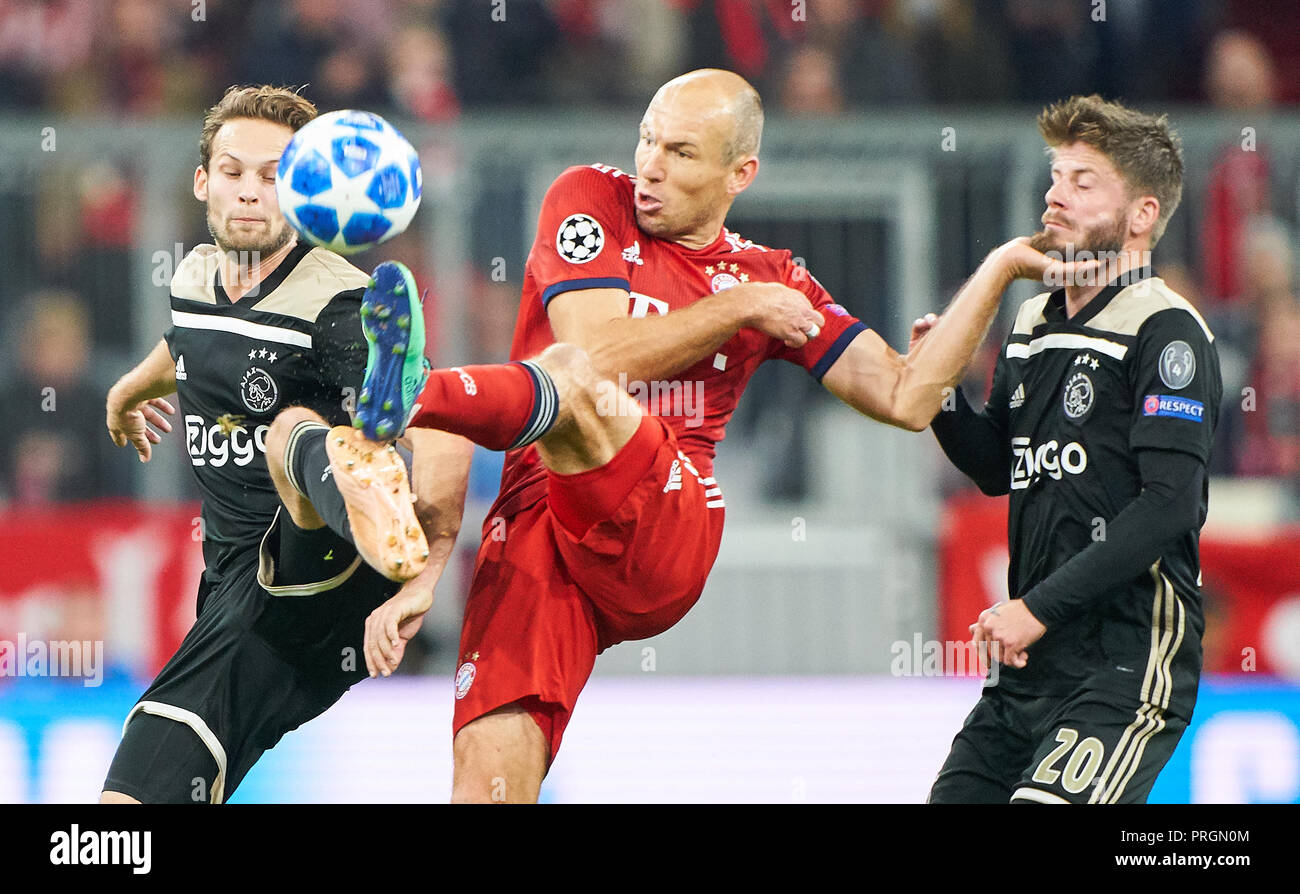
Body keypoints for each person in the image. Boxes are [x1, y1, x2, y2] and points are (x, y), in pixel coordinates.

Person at [338, 69, 1080, 804]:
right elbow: (597, 350)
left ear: (740, 172)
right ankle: (410, 398)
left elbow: (906, 396)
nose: (650, 165)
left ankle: (410, 392)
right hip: (540, 524)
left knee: (556, 378)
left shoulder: (767, 276)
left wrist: (1000, 267)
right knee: (486, 780)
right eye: (647, 139)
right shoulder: (591, 200)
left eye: (683, 153)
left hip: (663, 526)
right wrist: (427, 574)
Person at [99, 85, 471, 804]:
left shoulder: (342, 304)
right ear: (203, 182)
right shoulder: (194, 275)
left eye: (273, 177)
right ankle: (357, 465)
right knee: (128, 816)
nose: (248, 193)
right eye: (234, 172)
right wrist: (129, 392)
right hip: (249, 603)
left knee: (292, 430)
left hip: (334, 576)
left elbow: (447, 420)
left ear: (301, 192)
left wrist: (424, 580)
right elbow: (186, 343)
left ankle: (368, 475)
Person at [921, 95, 1222, 804]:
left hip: (1124, 664)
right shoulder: (1032, 320)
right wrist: (938, 392)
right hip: (1029, 674)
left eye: (1084, 182)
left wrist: (1037, 607)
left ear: (1142, 215)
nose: (1056, 195)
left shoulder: (1166, 329)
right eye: (1057, 176)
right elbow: (998, 466)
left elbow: (1170, 506)